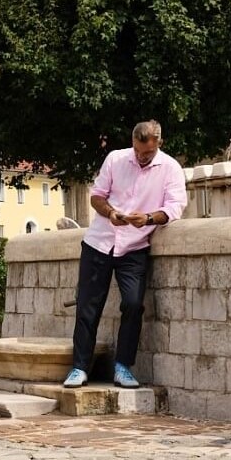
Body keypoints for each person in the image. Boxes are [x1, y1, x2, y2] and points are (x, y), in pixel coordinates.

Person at [64, 121, 186, 389]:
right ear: (133, 143)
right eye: (139, 151)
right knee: (87, 306)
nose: (142, 157)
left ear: (158, 144)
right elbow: (97, 196)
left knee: (133, 304)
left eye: (148, 153)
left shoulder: (170, 168)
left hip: (135, 246)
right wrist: (111, 213)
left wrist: (149, 218)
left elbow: (176, 207)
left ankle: (123, 366)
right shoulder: (115, 159)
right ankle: (79, 367)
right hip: (99, 242)